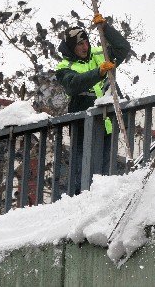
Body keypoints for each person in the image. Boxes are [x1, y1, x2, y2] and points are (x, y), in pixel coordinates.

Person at [55, 13, 131, 192]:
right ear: (71, 48)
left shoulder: (100, 53)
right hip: (83, 127)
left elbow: (123, 48)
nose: (85, 46)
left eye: (86, 42)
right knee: (83, 170)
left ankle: (102, 198)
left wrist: (105, 29)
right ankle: (80, 199)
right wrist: (98, 72)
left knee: (106, 171)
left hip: (107, 123)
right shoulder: (64, 67)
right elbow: (73, 85)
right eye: (80, 44)